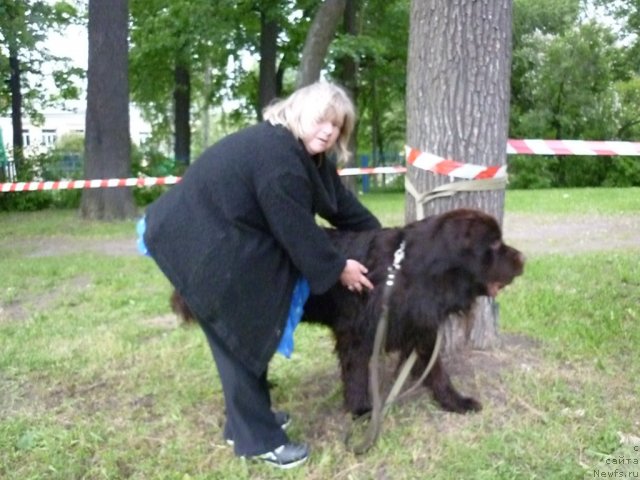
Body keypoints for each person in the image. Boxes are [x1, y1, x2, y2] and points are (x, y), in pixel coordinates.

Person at [140, 81, 381, 469]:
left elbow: (343, 207)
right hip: (202, 240)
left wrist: (385, 239)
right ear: (300, 114)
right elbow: (296, 229)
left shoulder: (308, 158)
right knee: (239, 335)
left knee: (244, 331)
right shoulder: (279, 158)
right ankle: (258, 441)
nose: (328, 131)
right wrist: (339, 269)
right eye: (322, 120)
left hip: (225, 235)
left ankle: (248, 422)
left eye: (337, 126)